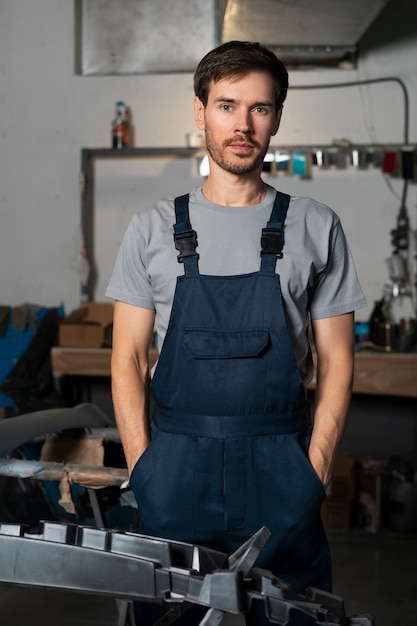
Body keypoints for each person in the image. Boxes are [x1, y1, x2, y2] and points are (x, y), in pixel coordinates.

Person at [106, 40, 366, 625]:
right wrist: (144, 468)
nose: (243, 124)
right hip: (174, 470)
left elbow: (339, 360)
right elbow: (125, 356)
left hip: (282, 474)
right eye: (227, 106)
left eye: (260, 108)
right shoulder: (151, 229)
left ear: (277, 118)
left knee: (291, 616)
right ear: (200, 113)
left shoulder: (316, 226)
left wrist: (315, 469)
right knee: (169, 615)